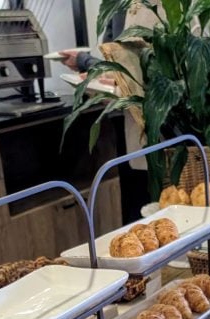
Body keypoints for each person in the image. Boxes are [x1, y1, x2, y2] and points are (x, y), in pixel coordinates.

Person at [59, 8, 154, 222]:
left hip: (152, 121)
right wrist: (97, 72)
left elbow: (139, 68)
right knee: (138, 206)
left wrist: (85, 62)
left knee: (146, 205)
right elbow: (117, 66)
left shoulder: (136, 8)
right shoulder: (118, 7)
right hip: (128, 119)